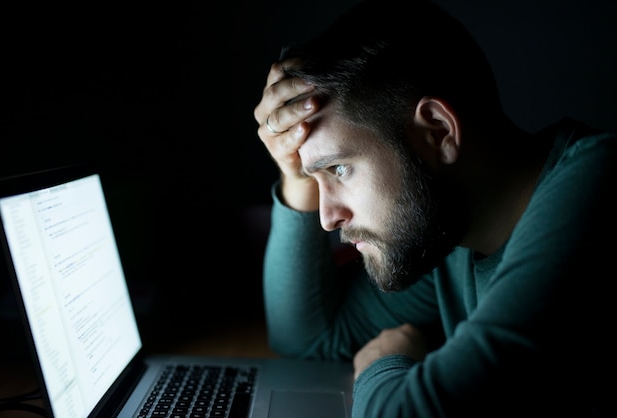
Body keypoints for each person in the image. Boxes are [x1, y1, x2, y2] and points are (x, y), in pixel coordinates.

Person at [253, 0, 616, 416]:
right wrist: (297, 177)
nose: (328, 216)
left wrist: (382, 365)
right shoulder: (450, 236)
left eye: (339, 168)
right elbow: (308, 340)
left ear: (438, 132)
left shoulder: (596, 186)